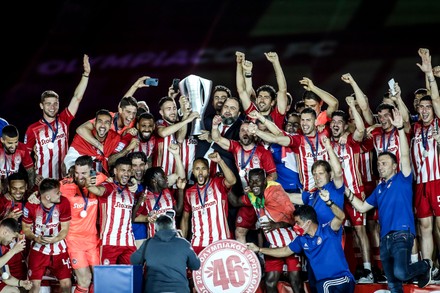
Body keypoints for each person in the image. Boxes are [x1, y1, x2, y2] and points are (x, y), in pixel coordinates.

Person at [345, 108, 432, 291]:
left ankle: (425, 265)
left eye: (384, 163)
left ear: (394, 166)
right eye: (378, 163)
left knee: (401, 273)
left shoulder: (403, 178)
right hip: (385, 240)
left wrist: (400, 129)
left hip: (402, 234)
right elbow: (361, 207)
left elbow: (406, 155)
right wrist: (346, 191)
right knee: (393, 284)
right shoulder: (379, 189)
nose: (380, 166)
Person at [247, 200, 355, 293]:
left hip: (342, 279)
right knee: (320, 285)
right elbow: (284, 251)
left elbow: (341, 217)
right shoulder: (301, 240)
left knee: (323, 285)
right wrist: (259, 249)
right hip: (323, 283)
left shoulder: (328, 230)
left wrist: (329, 202)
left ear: (308, 222)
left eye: (298, 223)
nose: (295, 227)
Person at [228, 168, 302, 293]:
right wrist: (226, 185)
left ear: (265, 181)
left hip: (291, 243)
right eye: (251, 181)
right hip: (273, 246)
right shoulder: (253, 195)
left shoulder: (275, 193)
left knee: (295, 281)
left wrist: (278, 224)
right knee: (269, 282)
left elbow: (295, 219)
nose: (254, 185)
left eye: (258, 181)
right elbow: (235, 202)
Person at [24, 54, 90, 181]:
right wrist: (33, 176)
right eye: (48, 104)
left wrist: (86, 75)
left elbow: (77, 98)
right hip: (43, 182)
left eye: (55, 103)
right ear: (41, 106)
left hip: (64, 180)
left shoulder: (64, 119)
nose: (52, 107)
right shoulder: (33, 129)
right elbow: (25, 156)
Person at [60, 155, 107, 293]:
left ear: (91, 171)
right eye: (77, 172)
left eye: (84, 173)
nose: (79, 177)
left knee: (100, 278)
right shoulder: (64, 185)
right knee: (85, 280)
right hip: (74, 240)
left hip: (93, 240)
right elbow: (46, 192)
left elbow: (111, 184)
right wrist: (35, 197)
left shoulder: (99, 179)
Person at [412, 48, 440, 277]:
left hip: (438, 180)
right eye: (421, 108)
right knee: (424, 227)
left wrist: (428, 71)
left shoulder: (438, 123)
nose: (424, 111)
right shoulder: (415, 127)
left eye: (428, 107)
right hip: (420, 183)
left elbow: (436, 97)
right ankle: (428, 268)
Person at [22, 178, 72, 293]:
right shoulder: (31, 206)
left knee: (66, 284)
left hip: (59, 249)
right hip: (38, 250)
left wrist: (56, 238)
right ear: (48, 197)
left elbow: (65, 229)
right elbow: (25, 229)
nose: (61, 194)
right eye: (58, 192)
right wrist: (35, 238)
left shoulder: (64, 202)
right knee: (34, 285)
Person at [180, 152, 236, 255]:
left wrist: (220, 161)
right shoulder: (189, 192)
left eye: (203, 169)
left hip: (221, 240)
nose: (200, 172)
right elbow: (185, 218)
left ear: (209, 170)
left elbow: (232, 181)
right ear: (193, 172)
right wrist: (182, 243)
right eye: (197, 169)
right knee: (197, 271)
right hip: (198, 243)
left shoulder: (217, 183)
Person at [85, 156, 138, 265]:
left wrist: (134, 181)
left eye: (128, 171)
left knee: (131, 277)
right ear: (115, 171)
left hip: (128, 242)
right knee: (107, 278)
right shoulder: (108, 187)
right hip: (108, 243)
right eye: (123, 170)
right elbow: (97, 190)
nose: (126, 174)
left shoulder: (131, 189)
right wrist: (89, 183)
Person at [130, 214, 200, 293]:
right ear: (173, 228)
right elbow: (196, 265)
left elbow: (134, 260)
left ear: (156, 229)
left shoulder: (148, 243)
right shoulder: (184, 243)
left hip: (154, 290)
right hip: (180, 290)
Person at [132, 143, 185, 244]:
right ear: (155, 181)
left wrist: (180, 190)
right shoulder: (145, 196)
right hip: (155, 242)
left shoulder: (167, 191)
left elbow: (177, 211)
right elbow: (134, 218)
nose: (166, 179)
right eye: (163, 177)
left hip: (172, 240)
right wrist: (147, 216)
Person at [64, 109, 136, 175]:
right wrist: (72, 170)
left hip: (102, 180)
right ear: (94, 123)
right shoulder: (82, 137)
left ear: (111, 125)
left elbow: (111, 161)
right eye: (100, 121)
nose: (102, 125)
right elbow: (69, 160)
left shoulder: (115, 138)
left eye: (106, 122)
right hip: (82, 178)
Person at [0, 218, 33, 292]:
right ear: (5, 232)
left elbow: (6, 276)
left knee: (14, 291)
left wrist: (21, 283)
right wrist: (13, 251)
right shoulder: (8, 250)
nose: (12, 241)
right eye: (13, 237)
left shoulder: (3, 249)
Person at [0, 125, 35, 193]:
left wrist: (30, 190)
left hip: (13, 186)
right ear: (2, 140)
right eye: (10, 143)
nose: (13, 146)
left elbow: (30, 171)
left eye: (16, 142)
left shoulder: (22, 148)